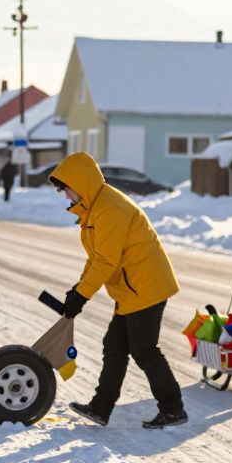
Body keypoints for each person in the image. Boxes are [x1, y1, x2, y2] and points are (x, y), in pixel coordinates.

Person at [48, 152, 188, 429]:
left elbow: (106, 261)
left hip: (145, 287)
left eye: (66, 188)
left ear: (81, 182)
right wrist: (78, 290)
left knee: (144, 350)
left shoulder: (110, 209)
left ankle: (173, 409)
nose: (65, 195)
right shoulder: (95, 208)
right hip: (131, 290)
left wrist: (81, 296)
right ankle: (100, 408)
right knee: (114, 347)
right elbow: (96, 257)